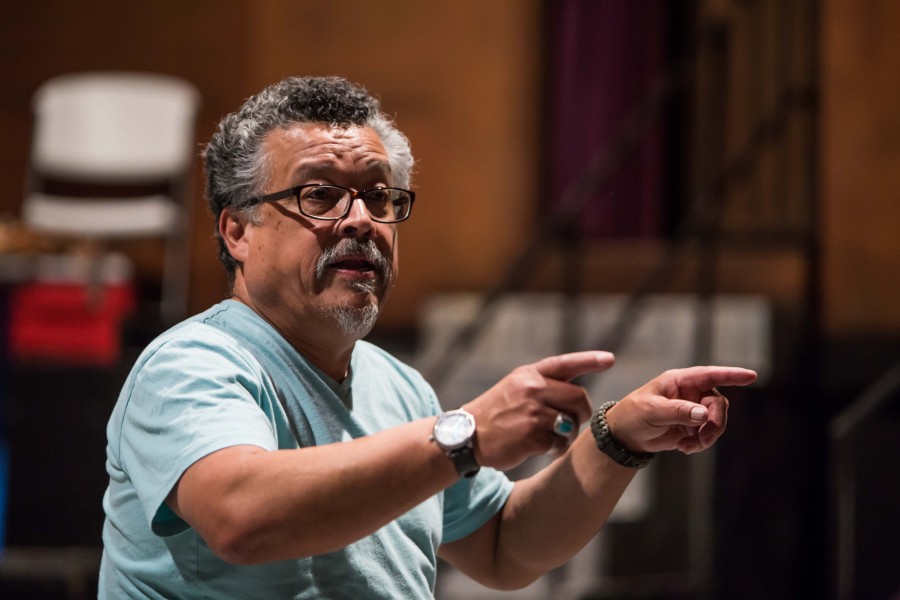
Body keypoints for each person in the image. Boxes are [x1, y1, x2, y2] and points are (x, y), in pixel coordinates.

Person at [98, 75, 757, 599]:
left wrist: (617, 439)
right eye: (321, 196)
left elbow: (503, 547)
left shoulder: (399, 385)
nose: (360, 221)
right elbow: (241, 517)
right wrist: (463, 435)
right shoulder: (191, 363)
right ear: (236, 232)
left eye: (380, 198)